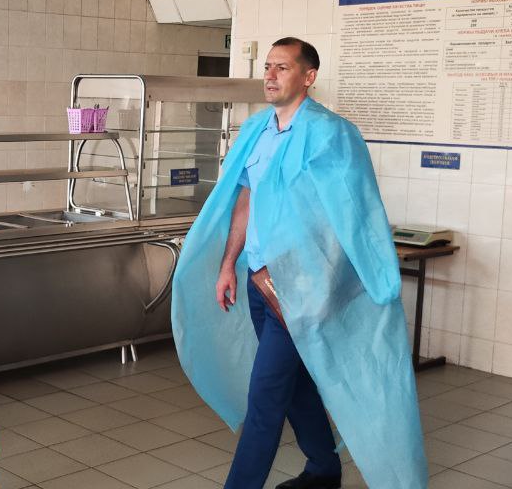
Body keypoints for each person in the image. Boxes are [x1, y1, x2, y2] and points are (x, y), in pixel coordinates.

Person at [171, 37, 426, 489]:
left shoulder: (332, 134)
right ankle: (324, 468)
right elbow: (245, 199)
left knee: (265, 396)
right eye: (267, 67)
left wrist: (345, 283)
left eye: (282, 67)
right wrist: (229, 264)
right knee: (296, 384)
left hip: (304, 290)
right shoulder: (257, 130)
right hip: (260, 280)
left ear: (308, 77)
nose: (270, 76)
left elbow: (352, 214)